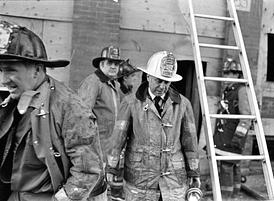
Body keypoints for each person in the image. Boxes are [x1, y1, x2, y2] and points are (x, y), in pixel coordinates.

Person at [0, 20, 106, 201]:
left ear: (37, 69)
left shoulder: (70, 107)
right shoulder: (11, 101)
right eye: (0, 70)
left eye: (10, 70)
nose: (3, 79)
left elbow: (88, 171)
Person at [106, 51, 202, 201]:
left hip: (173, 179)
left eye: (167, 82)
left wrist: (194, 172)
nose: (163, 86)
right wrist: (111, 168)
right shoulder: (131, 102)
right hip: (140, 178)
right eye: (159, 80)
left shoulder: (183, 104)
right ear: (148, 76)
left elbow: (190, 143)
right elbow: (118, 139)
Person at [77, 45, 125, 201]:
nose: (113, 66)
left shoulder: (114, 85)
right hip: (93, 154)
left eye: (116, 64)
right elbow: (81, 117)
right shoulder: (93, 82)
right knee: (92, 195)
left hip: (107, 153)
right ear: (101, 64)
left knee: (101, 194)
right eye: (109, 62)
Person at [213, 58, 251, 199]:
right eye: (225, 73)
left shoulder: (241, 91)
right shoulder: (229, 90)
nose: (226, 77)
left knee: (227, 167)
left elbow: (246, 116)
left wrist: (238, 137)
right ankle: (234, 195)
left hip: (232, 137)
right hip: (224, 135)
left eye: (230, 74)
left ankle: (226, 196)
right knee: (231, 166)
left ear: (237, 75)